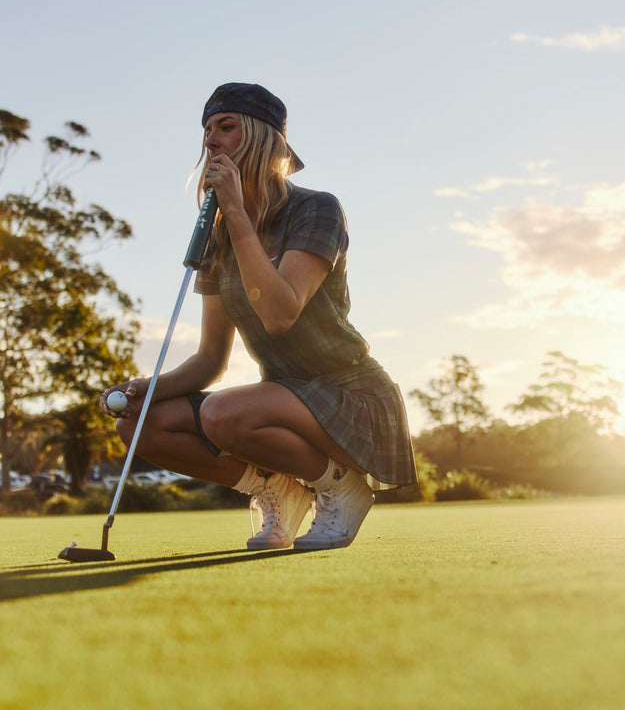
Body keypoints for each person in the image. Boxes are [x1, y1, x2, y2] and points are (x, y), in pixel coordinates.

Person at [101, 82, 416, 550]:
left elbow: (280, 314)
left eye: (225, 127)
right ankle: (280, 490)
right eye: (207, 130)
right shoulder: (217, 237)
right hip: (282, 396)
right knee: (139, 424)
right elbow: (211, 358)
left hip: (350, 393)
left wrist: (237, 214)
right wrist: (148, 390)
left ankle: (340, 486)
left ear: (263, 138)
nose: (210, 141)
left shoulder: (316, 209)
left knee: (223, 413)